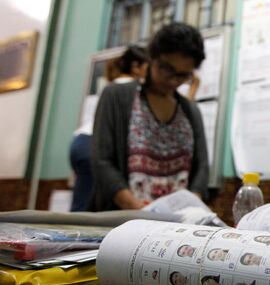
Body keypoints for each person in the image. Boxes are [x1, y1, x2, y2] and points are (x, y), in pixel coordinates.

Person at [90, 23, 210, 210]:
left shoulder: (190, 111)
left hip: (175, 226)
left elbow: (201, 167)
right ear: (151, 59)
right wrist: (138, 210)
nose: (173, 80)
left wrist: (192, 209)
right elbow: (102, 161)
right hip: (124, 220)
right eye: (167, 69)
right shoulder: (116, 96)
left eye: (182, 75)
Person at [70, 45, 149, 211]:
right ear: (136, 66)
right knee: (94, 205)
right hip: (93, 144)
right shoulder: (130, 87)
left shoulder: (111, 83)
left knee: (83, 200)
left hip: (80, 142)